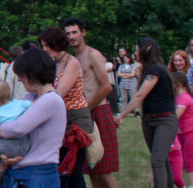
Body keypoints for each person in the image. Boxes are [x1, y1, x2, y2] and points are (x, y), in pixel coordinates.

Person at [0, 47, 67, 186]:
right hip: (24, 170)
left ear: (34, 74)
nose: (19, 79)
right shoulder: (32, 97)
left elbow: (18, 127)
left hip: (39, 172)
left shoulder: (50, 99)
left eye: (22, 75)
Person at [115, 37, 179, 188]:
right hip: (149, 119)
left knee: (157, 161)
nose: (136, 52)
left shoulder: (156, 69)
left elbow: (140, 95)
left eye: (138, 48)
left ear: (148, 49)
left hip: (165, 120)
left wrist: (121, 115)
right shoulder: (148, 69)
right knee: (162, 161)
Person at [64, 17, 118, 188]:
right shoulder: (73, 58)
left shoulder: (92, 54)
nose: (71, 36)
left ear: (83, 33)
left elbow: (106, 87)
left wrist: (87, 108)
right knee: (91, 169)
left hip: (98, 111)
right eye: (68, 34)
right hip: (83, 115)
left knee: (103, 169)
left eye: (74, 32)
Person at [39, 27, 93, 188]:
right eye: (43, 46)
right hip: (59, 119)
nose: (45, 49)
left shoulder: (72, 63)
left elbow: (58, 93)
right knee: (61, 168)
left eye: (48, 45)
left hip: (76, 121)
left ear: (58, 44)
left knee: (73, 169)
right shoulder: (51, 63)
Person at [170, 72, 193, 186]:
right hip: (181, 131)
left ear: (179, 84)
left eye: (172, 83)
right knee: (182, 159)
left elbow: (175, 116)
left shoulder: (184, 98)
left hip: (190, 132)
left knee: (189, 160)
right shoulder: (178, 97)